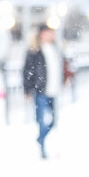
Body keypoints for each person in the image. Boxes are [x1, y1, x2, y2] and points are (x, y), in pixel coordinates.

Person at [22, 23, 70, 159]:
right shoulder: (34, 50)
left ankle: (40, 138)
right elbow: (27, 72)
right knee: (41, 120)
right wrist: (27, 90)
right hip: (40, 90)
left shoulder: (55, 48)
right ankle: (42, 146)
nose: (52, 35)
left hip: (53, 90)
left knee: (54, 120)